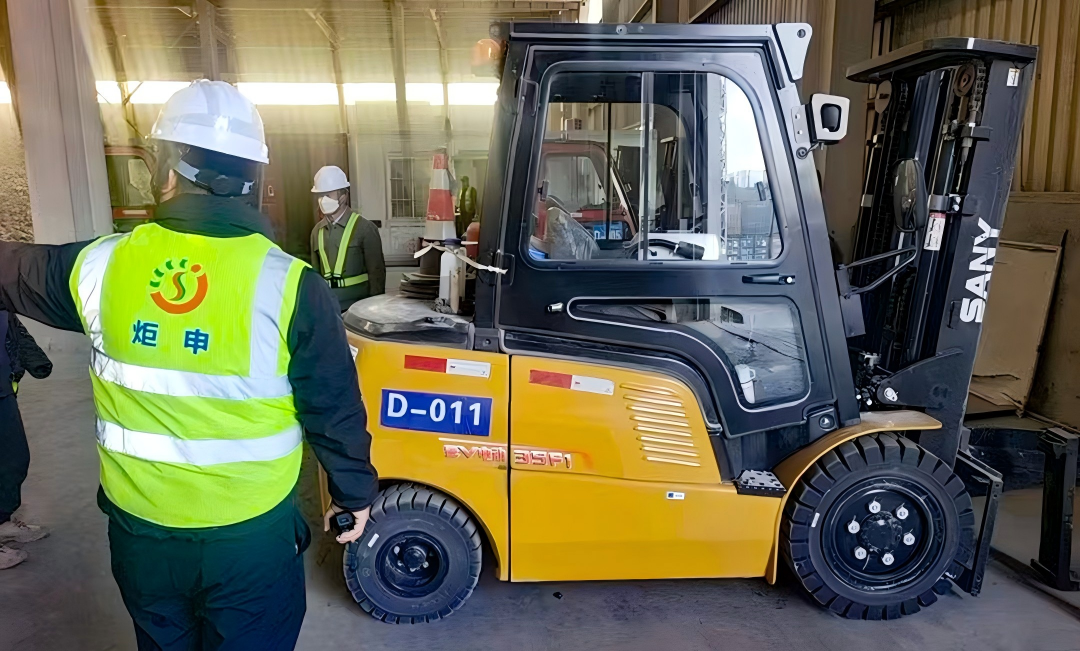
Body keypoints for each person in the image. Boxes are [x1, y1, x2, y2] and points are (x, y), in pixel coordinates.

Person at [0, 80, 377, 650]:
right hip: (250, 539)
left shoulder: (100, 267)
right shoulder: (290, 285)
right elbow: (334, 407)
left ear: (164, 170)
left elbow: (10, 271)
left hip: (142, 536)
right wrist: (354, 494)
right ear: (255, 178)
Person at [0, 310, 52, 569]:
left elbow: (10, 322)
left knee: (14, 460)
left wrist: (31, 357)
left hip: (3, 387)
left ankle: (2, 522)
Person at [309, 166, 386, 312]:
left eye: (328, 194)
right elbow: (316, 276)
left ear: (343, 195)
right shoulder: (316, 232)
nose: (323, 200)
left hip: (358, 309)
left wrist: (376, 311)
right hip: (329, 308)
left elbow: (377, 274)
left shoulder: (365, 229)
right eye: (320, 195)